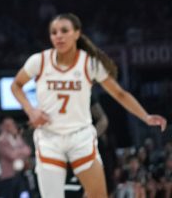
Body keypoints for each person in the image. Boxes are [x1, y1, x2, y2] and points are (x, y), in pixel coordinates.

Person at [11, 13, 167, 198]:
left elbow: (119, 93)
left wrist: (146, 116)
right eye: (54, 32)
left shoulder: (89, 63)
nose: (58, 36)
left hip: (80, 136)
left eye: (64, 31)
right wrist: (31, 110)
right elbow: (16, 85)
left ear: (77, 33)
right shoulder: (39, 61)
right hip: (50, 137)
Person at [0, 117, 32, 198]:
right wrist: (21, 151)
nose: (12, 126)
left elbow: (28, 151)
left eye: (12, 124)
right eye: (8, 125)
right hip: (8, 176)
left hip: (20, 174)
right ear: (4, 127)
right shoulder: (1, 140)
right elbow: (12, 155)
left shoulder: (17, 137)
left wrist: (17, 150)